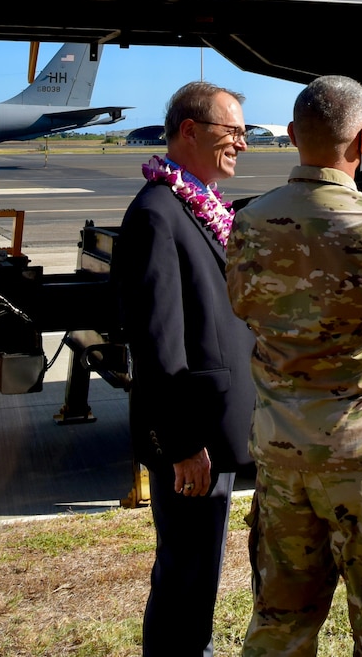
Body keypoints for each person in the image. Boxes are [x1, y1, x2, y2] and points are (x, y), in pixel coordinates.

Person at [227, 75, 362, 657]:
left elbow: (245, 308)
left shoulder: (248, 224)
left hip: (282, 462)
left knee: (279, 626)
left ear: (295, 135)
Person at [111, 81, 259, 657]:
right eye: (233, 133)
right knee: (185, 578)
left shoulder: (197, 203)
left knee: (198, 574)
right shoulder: (157, 214)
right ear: (191, 131)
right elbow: (157, 344)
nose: (242, 146)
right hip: (191, 440)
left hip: (211, 434)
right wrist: (180, 444)